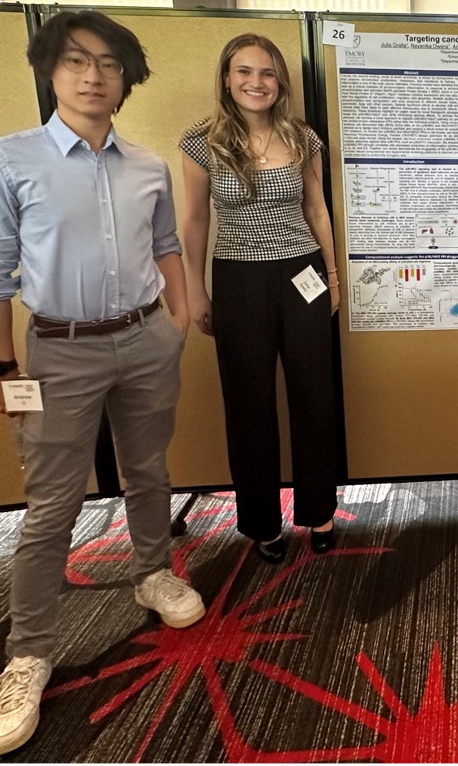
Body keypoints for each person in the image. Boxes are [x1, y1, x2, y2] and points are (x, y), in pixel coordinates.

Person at [0, 10, 206, 756]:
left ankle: (153, 572)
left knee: (149, 469)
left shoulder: (146, 165)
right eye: (75, 61)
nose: (93, 76)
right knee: (53, 505)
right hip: (59, 350)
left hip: (145, 338)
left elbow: (166, 244)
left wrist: (177, 318)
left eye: (108, 64)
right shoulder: (5, 161)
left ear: (126, 79)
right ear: (50, 71)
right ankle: (28, 654)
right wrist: (1, 367)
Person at [179, 33, 340, 565]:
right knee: (249, 404)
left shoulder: (302, 137)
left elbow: (317, 210)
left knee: (314, 396)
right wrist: (196, 289)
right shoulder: (201, 142)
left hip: (303, 274)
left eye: (267, 72)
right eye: (244, 71)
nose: (256, 82)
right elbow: (195, 219)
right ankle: (262, 522)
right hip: (238, 279)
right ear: (227, 79)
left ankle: (319, 511)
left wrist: (333, 277)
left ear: (280, 82)